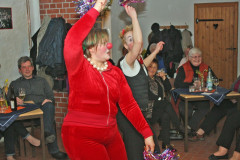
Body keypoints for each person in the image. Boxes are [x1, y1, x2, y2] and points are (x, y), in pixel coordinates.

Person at [61, 1, 155, 159]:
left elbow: (129, 105)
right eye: (103, 44)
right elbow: (71, 41)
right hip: (81, 134)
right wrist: (97, 8)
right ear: (90, 48)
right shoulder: (78, 68)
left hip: (110, 134)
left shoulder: (115, 73)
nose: (109, 46)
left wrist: (147, 133)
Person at [117, 4, 164, 159]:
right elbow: (138, 45)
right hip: (128, 117)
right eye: (129, 39)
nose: (135, 41)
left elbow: (145, 62)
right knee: (136, 154)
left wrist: (155, 51)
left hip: (139, 115)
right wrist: (134, 17)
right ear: (125, 46)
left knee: (153, 149)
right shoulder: (126, 62)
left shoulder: (138, 62)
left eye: (134, 37)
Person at [8, 56, 68, 159]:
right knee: (12, 116)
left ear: (32, 67)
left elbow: (51, 97)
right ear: (19, 70)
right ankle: (47, 135)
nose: (27, 69)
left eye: (29, 66)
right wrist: (16, 101)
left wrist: (48, 99)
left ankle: (51, 143)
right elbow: (9, 100)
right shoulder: (15, 84)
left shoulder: (42, 81)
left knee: (49, 105)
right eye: (24, 67)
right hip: (25, 110)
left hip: (42, 108)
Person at [174, 47, 215, 132]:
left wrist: (204, 84)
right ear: (189, 58)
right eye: (194, 57)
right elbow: (177, 84)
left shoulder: (206, 67)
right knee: (185, 110)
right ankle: (190, 131)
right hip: (185, 98)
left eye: (199, 56)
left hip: (201, 98)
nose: (197, 59)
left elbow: (214, 82)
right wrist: (192, 84)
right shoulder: (183, 68)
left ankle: (189, 128)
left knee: (205, 107)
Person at [189, 75, 240, 141]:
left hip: (238, 101)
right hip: (233, 99)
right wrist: (231, 96)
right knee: (219, 105)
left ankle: (223, 145)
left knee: (231, 114)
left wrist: (237, 98)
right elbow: (233, 88)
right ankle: (201, 131)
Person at [147, 59, 184, 149]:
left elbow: (168, 88)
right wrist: (160, 100)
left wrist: (164, 78)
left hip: (160, 107)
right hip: (150, 109)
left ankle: (166, 143)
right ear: (146, 67)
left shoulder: (157, 78)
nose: (152, 69)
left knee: (165, 116)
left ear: (157, 69)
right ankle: (179, 127)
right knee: (165, 103)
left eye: (155, 67)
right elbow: (149, 95)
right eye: (150, 66)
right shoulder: (143, 79)